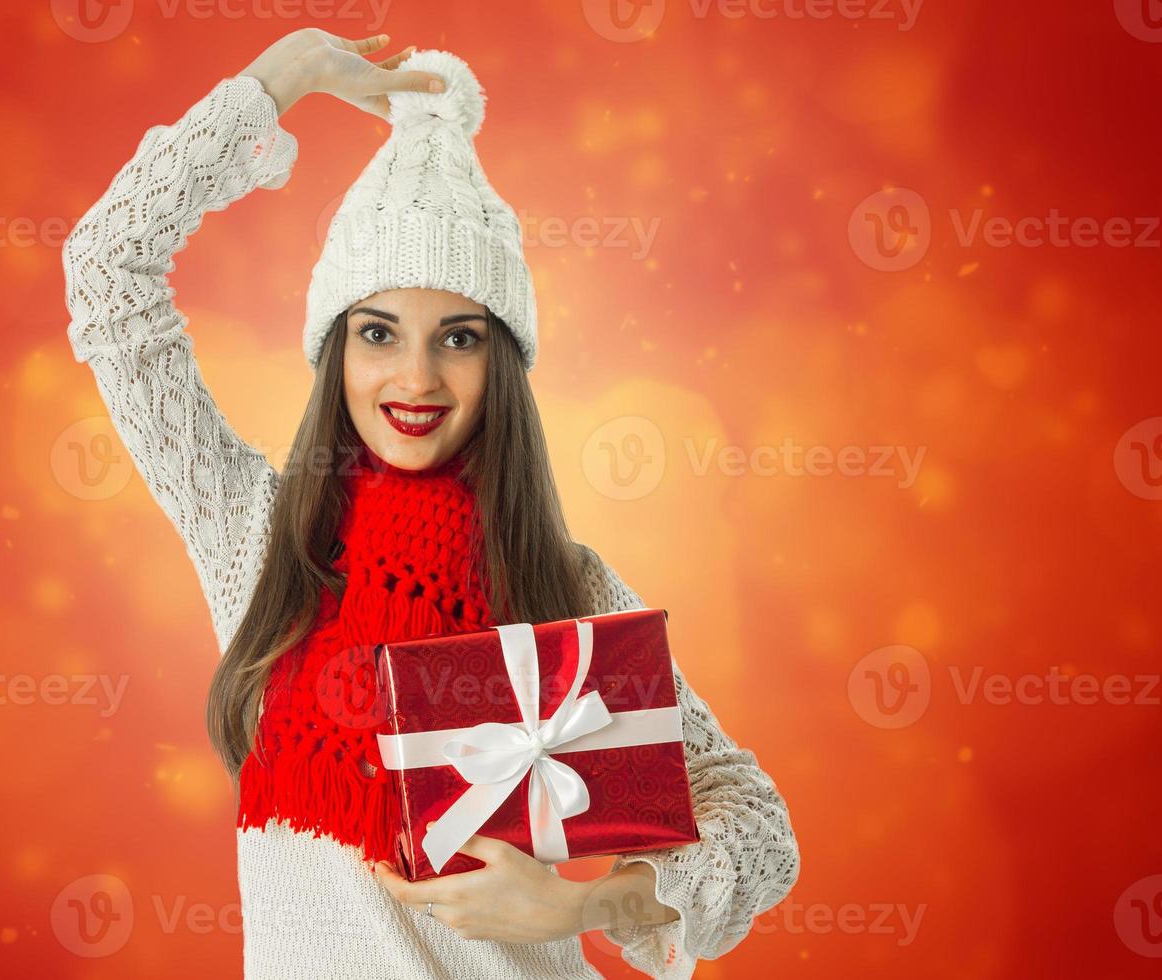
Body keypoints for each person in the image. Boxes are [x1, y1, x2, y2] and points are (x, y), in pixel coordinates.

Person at [61, 28, 799, 979]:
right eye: (378, 332)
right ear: (336, 352)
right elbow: (107, 273)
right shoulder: (262, 539)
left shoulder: (557, 583)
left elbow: (754, 820)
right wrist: (292, 74)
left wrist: (588, 902)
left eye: (458, 336)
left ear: (504, 363)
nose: (415, 377)